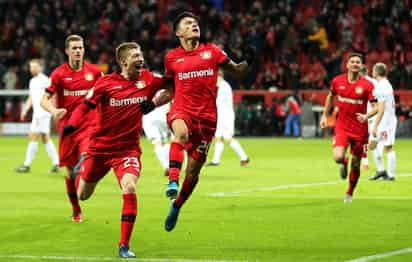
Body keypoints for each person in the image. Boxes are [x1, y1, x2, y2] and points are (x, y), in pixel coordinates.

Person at [62, 42, 172, 258]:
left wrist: (156, 103)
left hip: (127, 151)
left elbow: (173, 87)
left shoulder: (148, 79)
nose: (141, 59)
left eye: (141, 54)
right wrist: (72, 124)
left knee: (129, 187)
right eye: (135, 56)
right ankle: (82, 168)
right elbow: (86, 105)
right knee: (83, 195)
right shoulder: (106, 83)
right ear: (123, 62)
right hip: (99, 149)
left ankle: (124, 245)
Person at [162, 11, 254, 231]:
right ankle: (172, 181)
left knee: (193, 172)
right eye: (188, 23)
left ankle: (177, 206)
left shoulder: (213, 52)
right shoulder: (172, 58)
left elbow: (238, 71)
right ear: (178, 32)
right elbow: (168, 88)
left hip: (207, 120)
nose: (194, 25)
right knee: (180, 134)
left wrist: (249, 60)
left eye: (195, 22)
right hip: (182, 110)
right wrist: (153, 103)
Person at [40, 35, 102, 222]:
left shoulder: (95, 72)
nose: (78, 51)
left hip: (88, 126)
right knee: (68, 173)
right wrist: (54, 110)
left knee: (86, 156)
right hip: (67, 128)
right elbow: (44, 99)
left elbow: (106, 92)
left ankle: (85, 169)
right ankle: (76, 210)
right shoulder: (59, 74)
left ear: (84, 50)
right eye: (74, 48)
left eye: (80, 48)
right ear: (67, 51)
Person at [320, 53, 376, 203]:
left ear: (361, 65)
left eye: (358, 62)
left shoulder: (367, 85)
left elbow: (376, 107)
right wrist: (325, 115)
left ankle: (350, 192)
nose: (355, 64)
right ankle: (344, 162)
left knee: (356, 164)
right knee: (338, 157)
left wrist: (367, 116)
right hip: (342, 127)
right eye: (352, 61)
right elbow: (330, 96)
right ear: (347, 65)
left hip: (360, 130)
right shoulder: (337, 81)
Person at [16, 59, 59, 173]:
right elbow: (31, 97)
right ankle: (57, 163)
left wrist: (53, 110)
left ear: (40, 67)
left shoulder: (45, 80)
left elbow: (53, 94)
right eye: (31, 67)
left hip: (43, 113)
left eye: (35, 67)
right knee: (45, 139)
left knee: (33, 136)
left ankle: (27, 164)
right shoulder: (32, 81)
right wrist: (25, 109)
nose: (32, 69)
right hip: (37, 113)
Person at [207, 70, 249, 166]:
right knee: (218, 137)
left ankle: (244, 157)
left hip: (226, 116)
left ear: (219, 76)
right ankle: (216, 160)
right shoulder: (221, 86)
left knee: (228, 138)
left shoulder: (224, 87)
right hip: (221, 116)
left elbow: (216, 102)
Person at [367, 63, 397, 181]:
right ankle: (381, 170)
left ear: (376, 72)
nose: (372, 72)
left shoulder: (383, 86)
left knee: (388, 147)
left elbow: (381, 108)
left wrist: (375, 125)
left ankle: (390, 174)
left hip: (386, 123)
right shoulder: (383, 84)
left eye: (373, 70)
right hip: (384, 121)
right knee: (372, 144)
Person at [142, 91, 171, 176]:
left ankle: (166, 165)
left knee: (157, 143)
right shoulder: (166, 86)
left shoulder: (148, 83)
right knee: (164, 142)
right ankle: (170, 165)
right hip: (163, 116)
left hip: (148, 116)